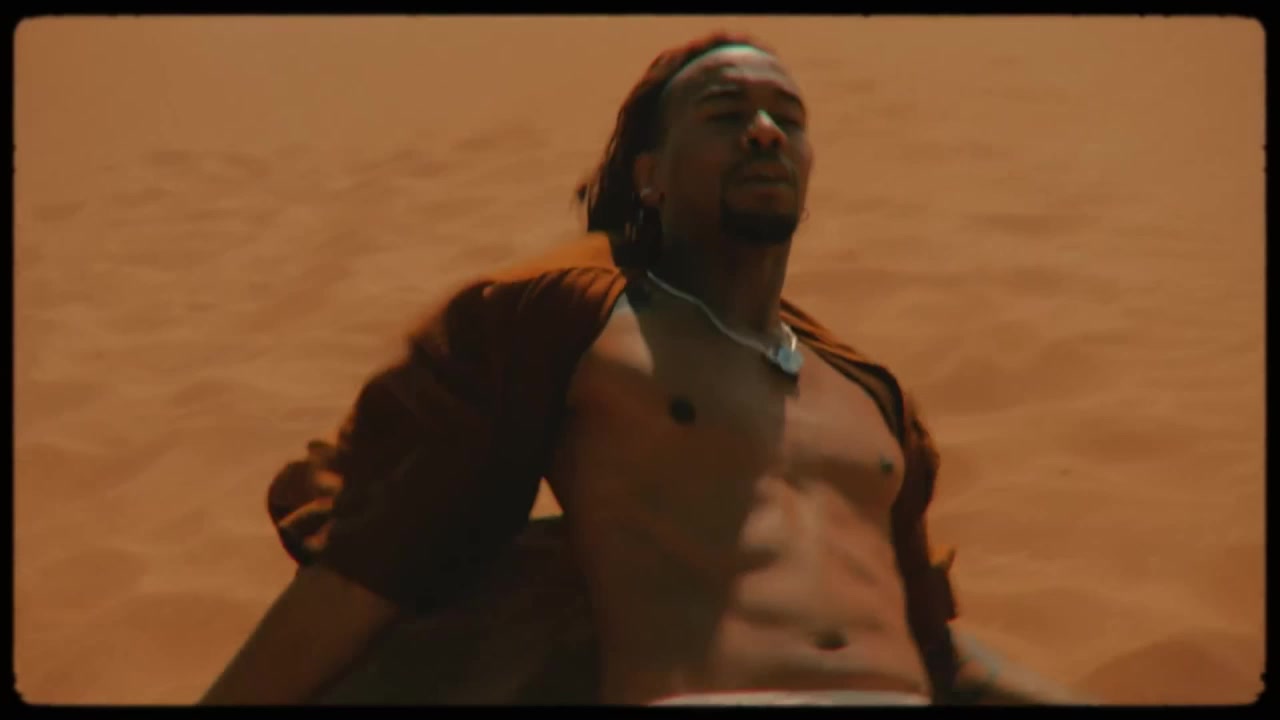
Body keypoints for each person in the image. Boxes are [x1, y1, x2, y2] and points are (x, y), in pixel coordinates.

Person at [200, 32, 1087, 706]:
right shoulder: (573, 320)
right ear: (650, 173)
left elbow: (935, 649)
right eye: (726, 115)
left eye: (788, 118)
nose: (765, 133)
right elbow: (378, 553)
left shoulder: (868, 392)